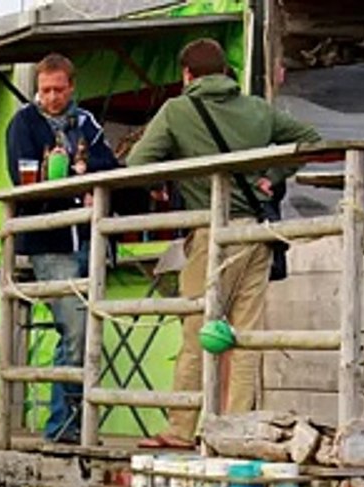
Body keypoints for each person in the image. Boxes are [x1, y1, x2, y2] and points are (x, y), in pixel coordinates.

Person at [125, 38, 321, 449]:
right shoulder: (256, 108)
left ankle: (180, 428)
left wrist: (172, 175)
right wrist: (273, 176)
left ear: (186, 75)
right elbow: (311, 139)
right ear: (225, 73)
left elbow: (136, 166)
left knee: (198, 332)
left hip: (213, 235)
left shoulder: (178, 110)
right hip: (256, 233)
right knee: (246, 336)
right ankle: (236, 430)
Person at [5, 53, 120, 444]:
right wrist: (75, 177)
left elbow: (111, 167)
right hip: (49, 239)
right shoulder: (23, 121)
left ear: (71, 87)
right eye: (44, 89)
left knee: (87, 335)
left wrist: (86, 175)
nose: (51, 96)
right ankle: (63, 429)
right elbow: (22, 179)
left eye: (57, 89)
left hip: (89, 235)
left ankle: (77, 426)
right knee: (74, 329)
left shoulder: (87, 122)